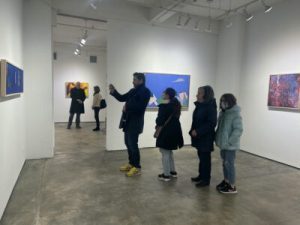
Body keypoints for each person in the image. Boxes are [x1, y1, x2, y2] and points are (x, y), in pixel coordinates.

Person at [109, 73, 151, 177]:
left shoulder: (145, 92)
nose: (133, 81)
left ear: (141, 80)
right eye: (133, 79)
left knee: (133, 144)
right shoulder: (133, 91)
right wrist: (114, 92)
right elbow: (122, 98)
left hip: (136, 122)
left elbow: (140, 107)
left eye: (135, 80)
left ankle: (137, 167)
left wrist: (127, 106)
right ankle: (131, 163)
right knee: (127, 143)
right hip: (128, 121)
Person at [189, 86, 217, 187]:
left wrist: (198, 131)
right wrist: (192, 130)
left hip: (206, 137)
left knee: (205, 159)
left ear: (206, 94)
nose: (197, 95)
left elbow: (211, 123)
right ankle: (201, 176)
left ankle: (206, 180)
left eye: (199, 93)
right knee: (201, 158)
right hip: (199, 137)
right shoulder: (200, 105)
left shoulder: (210, 107)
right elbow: (196, 120)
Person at [215, 94, 243, 194]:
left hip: (230, 146)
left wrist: (230, 141)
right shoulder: (223, 113)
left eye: (224, 101)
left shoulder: (235, 114)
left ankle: (232, 186)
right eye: (221, 101)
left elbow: (238, 129)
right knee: (224, 164)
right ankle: (226, 181)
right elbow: (220, 128)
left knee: (229, 164)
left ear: (230, 102)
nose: (222, 103)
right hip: (223, 144)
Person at [155, 88, 184, 182]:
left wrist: (157, 122)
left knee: (165, 153)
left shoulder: (164, 105)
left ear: (167, 95)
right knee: (169, 152)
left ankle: (166, 175)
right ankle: (172, 172)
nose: (162, 95)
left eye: (164, 93)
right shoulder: (176, 103)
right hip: (175, 130)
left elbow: (160, 120)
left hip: (166, 131)